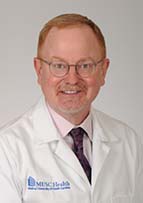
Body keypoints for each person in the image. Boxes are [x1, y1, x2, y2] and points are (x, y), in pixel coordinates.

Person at [0, 13, 142, 203]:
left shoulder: (128, 141)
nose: (72, 79)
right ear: (39, 70)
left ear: (103, 70)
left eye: (85, 65)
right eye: (59, 65)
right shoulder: (7, 148)